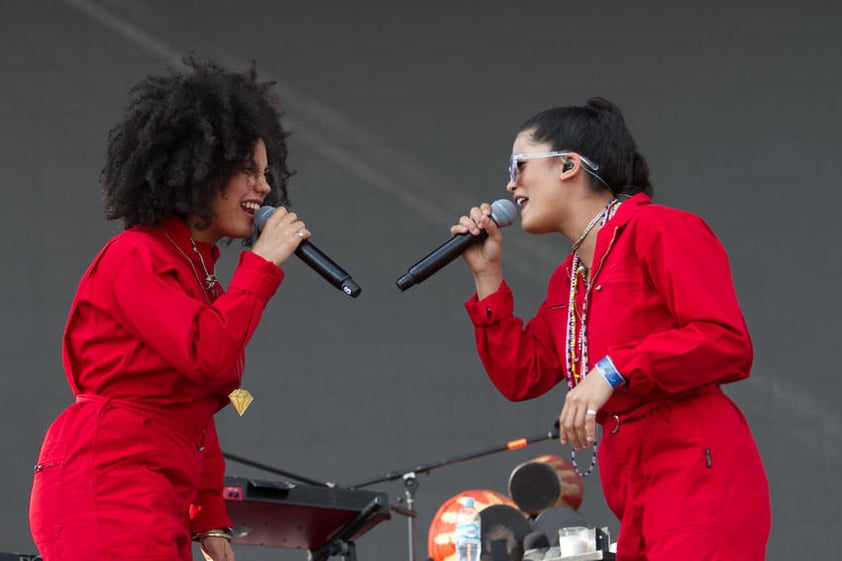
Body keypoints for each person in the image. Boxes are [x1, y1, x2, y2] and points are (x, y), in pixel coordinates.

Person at [450, 97, 771, 561]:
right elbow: (522, 375)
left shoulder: (660, 229)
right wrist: (487, 279)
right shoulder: (570, 276)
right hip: (634, 489)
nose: (510, 182)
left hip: (696, 475)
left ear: (568, 165)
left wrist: (613, 370)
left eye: (519, 164)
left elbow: (726, 343)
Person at [29, 56, 312, 561]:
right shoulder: (137, 256)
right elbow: (211, 356)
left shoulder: (198, 272)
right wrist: (262, 266)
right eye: (248, 170)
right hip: (107, 482)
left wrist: (210, 519)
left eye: (266, 173)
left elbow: (199, 407)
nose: (265, 188)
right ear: (201, 171)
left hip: (159, 492)